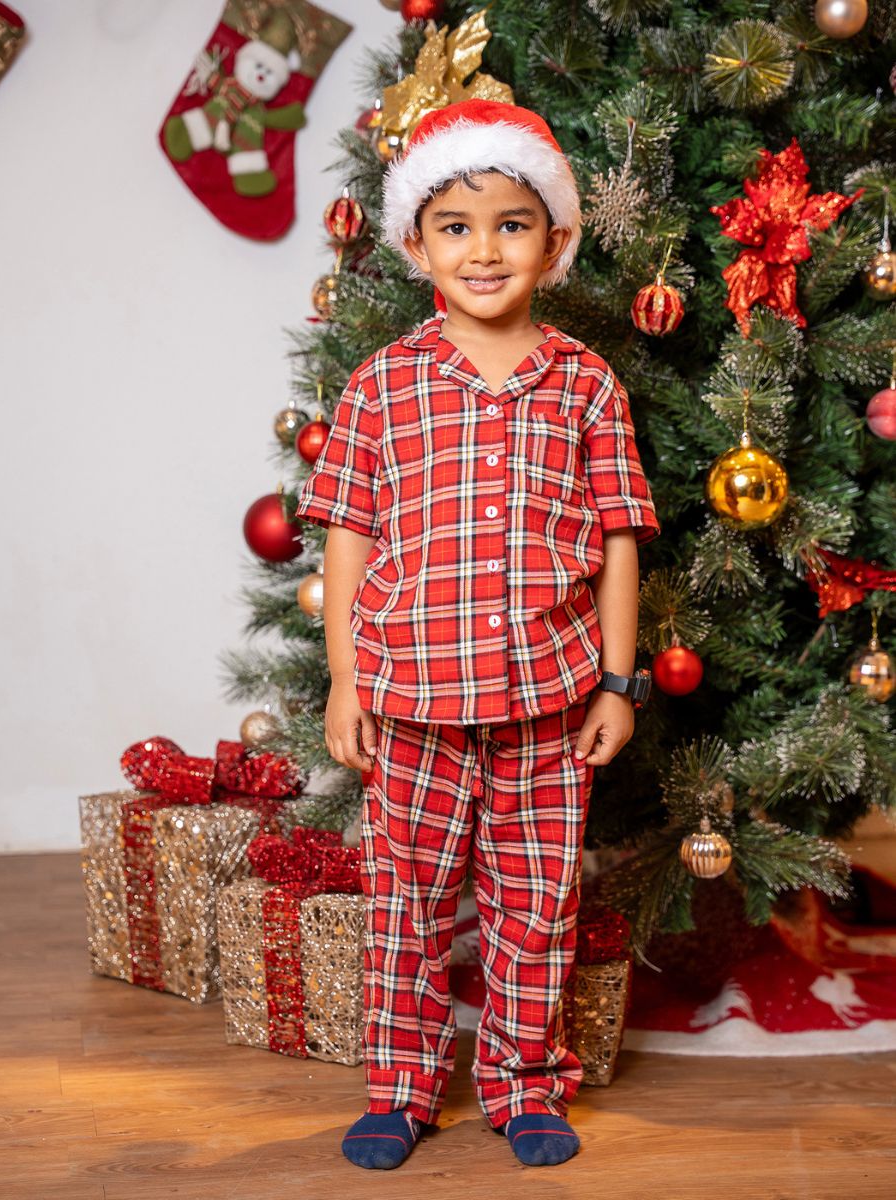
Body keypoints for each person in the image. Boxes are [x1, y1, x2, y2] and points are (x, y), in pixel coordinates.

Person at [295, 99, 661, 1170]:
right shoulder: (380, 386)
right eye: (457, 226)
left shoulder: (586, 384)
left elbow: (620, 542)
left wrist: (617, 685)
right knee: (407, 901)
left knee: (535, 903)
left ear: (554, 240)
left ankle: (523, 1081)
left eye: (512, 222)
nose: (485, 248)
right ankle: (402, 1088)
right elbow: (350, 545)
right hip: (410, 702)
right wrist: (344, 681)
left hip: (552, 703)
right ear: (415, 244)